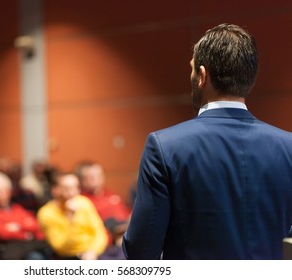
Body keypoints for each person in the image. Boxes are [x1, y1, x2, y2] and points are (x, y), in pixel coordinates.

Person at [123, 23, 292, 260]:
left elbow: (142, 250)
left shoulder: (164, 146)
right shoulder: (288, 147)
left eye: (192, 69)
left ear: (202, 76)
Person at [0, 171, 51, 260]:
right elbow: (3, 234)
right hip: (1, 254)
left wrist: (16, 227)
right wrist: (26, 234)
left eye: (5, 190)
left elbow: (35, 226)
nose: (2, 194)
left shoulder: (17, 208)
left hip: (24, 249)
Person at [37, 172, 108, 260]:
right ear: (55, 190)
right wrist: (71, 218)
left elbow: (100, 233)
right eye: (67, 188)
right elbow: (61, 248)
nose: (73, 192)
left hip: (94, 253)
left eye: (76, 187)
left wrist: (93, 251)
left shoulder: (84, 202)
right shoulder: (46, 213)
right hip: (71, 257)